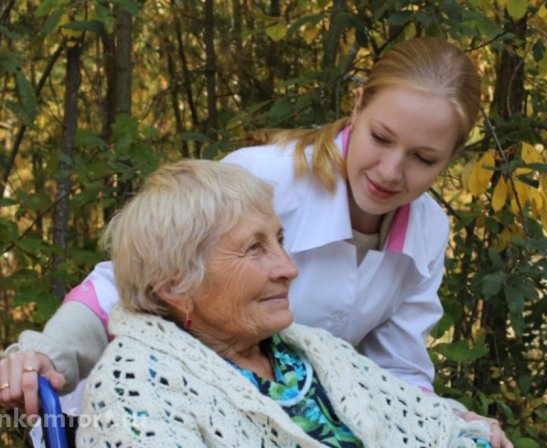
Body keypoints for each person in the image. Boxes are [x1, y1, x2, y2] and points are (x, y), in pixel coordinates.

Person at [0, 37, 512, 446]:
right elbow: (133, 279)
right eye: (380, 138)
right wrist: (49, 355)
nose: (390, 171)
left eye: (423, 158)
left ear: (451, 158)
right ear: (357, 106)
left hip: (283, 406)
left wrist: (443, 422)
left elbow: (394, 370)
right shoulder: (266, 178)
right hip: (160, 409)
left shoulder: (427, 229)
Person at [76, 159, 491, 447]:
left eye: (279, 240)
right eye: (255, 248)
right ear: (176, 284)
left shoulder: (309, 352)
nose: (289, 269)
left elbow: (432, 428)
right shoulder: (137, 386)